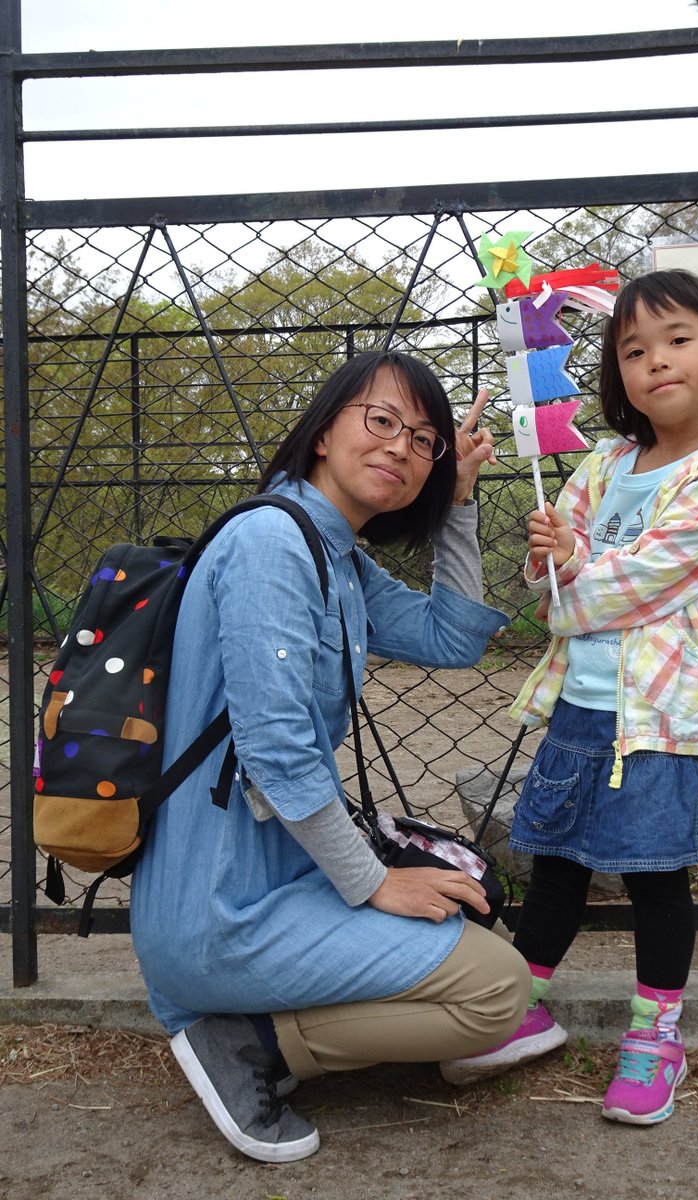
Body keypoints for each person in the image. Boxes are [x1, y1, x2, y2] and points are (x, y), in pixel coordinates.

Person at [130, 350, 531, 1163]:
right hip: (222, 908)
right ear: (323, 432)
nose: (401, 448)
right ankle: (244, 1042)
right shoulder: (273, 545)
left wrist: (457, 508)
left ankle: (253, 1022)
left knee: (482, 925)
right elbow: (278, 755)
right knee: (496, 991)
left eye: (425, 442)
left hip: (274, 877)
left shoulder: (334, 554)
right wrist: (376, 881)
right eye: (380, 421)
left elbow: (450, 639)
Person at [440, 269, 698, 1126]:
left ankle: (655, 1038)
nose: (655, 361)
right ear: (615, 375)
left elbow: (620, 591)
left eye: (676, 340)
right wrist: (551, 547)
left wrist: (570, 580)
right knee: (556, 868)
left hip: (662, 720)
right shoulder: (609, 459)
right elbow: (554, 580)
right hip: (581, 710)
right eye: (633, 350)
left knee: (658, 880)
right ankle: (514, 1005)